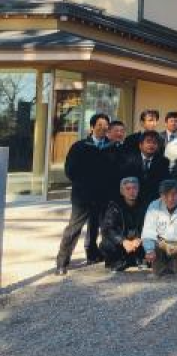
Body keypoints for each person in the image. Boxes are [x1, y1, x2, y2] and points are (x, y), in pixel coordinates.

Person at [56, 113, 110, 274]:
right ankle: (62, 262)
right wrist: (84, 183)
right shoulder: (80, 146)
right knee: (74, 229)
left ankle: (93, 255)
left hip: (103, 195)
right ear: (92, 127)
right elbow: (70, 170)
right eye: (99, 125)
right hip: (83, 195)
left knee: (100, 227)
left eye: (105, 125)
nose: (102, 128)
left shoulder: (111, 146)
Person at [141, 179, 177, 276]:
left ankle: (174, 268)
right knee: (156, 264)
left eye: (174, 194)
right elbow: (148, 231)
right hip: (161, 244)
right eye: (166, 195)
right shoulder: (154, 206)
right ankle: (163, 268)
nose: (170, 198)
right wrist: (149, 250)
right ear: (160, 195)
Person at [99, 176, 146, 272]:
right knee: (106, 244)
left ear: (138, 190)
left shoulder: (145, 205)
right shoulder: (114, 206)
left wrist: (140, 238)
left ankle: (137, 259)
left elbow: (151, 225)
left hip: (138, 241)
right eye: (128, 189)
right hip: (122, 242)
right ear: (122, 191)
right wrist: (123, 241)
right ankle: (118, 261)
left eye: (134, 188)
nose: (131, 191)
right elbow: (107, 228)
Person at [119, 131, 172, 207]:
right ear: (140, 145)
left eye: (154, 143)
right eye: (148, 142)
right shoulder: (129, 160)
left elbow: (163, 183)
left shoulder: (163, 162)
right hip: (132, 200)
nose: (151, 145)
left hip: (154, 201)